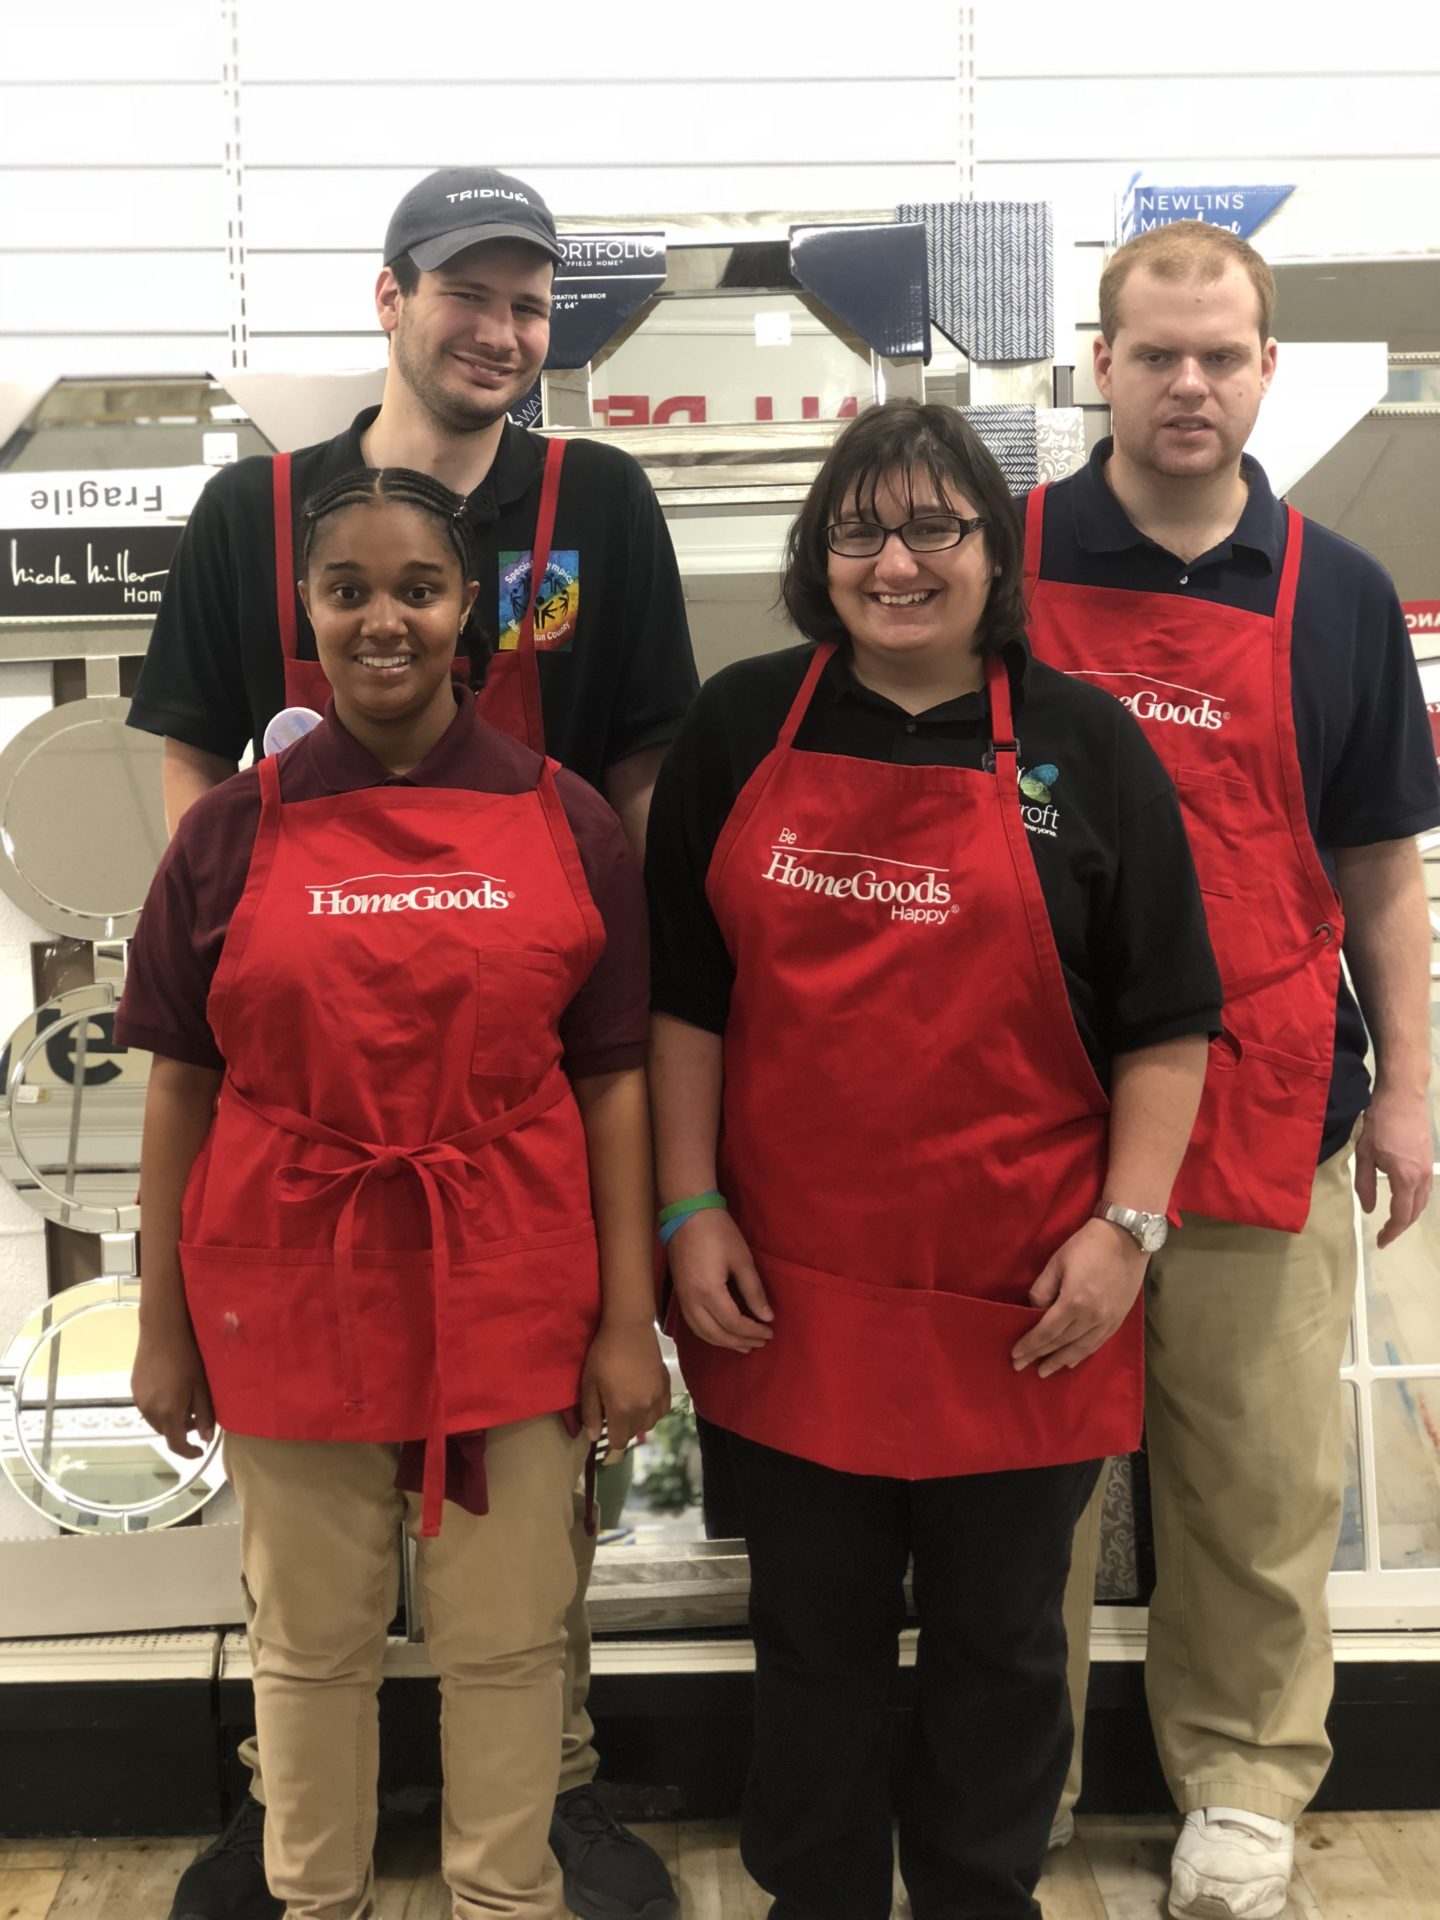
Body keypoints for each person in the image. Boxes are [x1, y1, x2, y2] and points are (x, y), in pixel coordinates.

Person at [126, 166, 695, 1920]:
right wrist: (260, 902)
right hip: (303, 1187)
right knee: (309, 1622)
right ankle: (311, 1856)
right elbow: (189, 810)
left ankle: (533, 1839)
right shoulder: (250, 530)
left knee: (516, 1624)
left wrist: (629, 1292)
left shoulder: (599, 501)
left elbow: (640, 798)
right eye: (472, 296)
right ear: (392, 298)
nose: (502, 332)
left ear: (474, 608)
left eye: (532, 308)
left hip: (508, 1169)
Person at [645, 400, 1222, 1920]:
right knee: (812, 1635)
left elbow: (1170, 1024)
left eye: (933, 529)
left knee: (1006, 1643)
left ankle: (983, 1894)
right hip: (790, 1287)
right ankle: (816, 1897)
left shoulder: (1087, 746)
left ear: (992, 548)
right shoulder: (740, 725)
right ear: (819, 553)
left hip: (1023, 1288)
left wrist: (1127, 1233)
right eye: (859, 530)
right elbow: (686, 1006)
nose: (895, 562)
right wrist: (690, 1207)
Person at [1026, 220, 1439, 1920]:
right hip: (1035, 1101)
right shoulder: (1002, 555)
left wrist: (1411, 1085)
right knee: (1022, 1489)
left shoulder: (1333, 590)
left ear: (1266, 368)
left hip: (1271, 1096)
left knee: (1260, 1487)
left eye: (1220, 356)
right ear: (1101, 365)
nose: (1187, 384)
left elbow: (1381, 866)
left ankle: (1245, 1794)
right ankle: (1010, 1787)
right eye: (1154, 353)